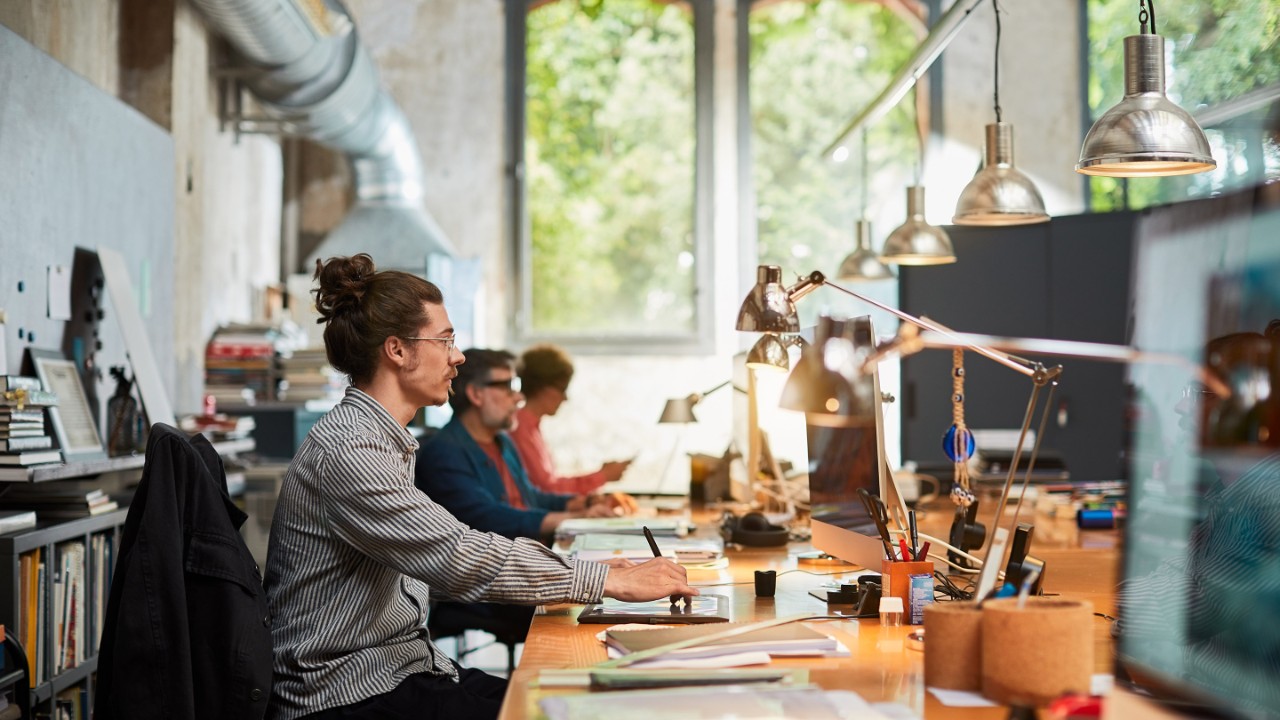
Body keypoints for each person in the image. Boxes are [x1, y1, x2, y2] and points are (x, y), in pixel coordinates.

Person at [263, 254, 696, 720]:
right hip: (347, 693)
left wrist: (591, 570)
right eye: (445, 339)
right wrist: (608, 580)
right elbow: (457, 555)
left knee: (570, 696)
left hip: (405, 669)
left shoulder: (384, 443)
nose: (458, 356)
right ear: (397, 350)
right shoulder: (352, 453)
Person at [415, 348, 621, 541]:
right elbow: (489, 517)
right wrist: (574, 518)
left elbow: (529, 496)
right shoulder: (443, 453)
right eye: (508, 387)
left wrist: (581, 503)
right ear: (476, 394)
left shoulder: (503, 441)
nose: (519, 397)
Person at [509, 344, 633, 495]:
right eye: (563, 389)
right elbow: (547, 489)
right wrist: (603, 476)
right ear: (545, 389)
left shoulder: (530, 427)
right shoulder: (519, 429)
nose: (565, 398)